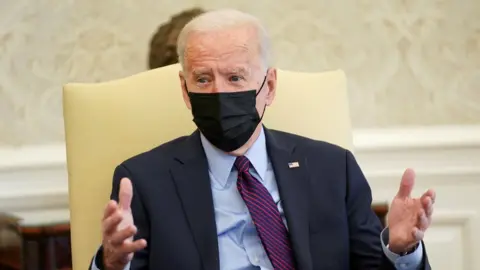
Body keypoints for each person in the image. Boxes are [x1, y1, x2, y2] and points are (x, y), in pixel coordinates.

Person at [90, 9, 435, 270]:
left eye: (236, 77)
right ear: (184, 89)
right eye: (203, 79)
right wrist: (109, 264)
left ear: (268, 86)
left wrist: (401, 250)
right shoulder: (143, 181)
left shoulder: (333, 168)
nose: (219, 92)